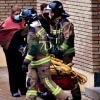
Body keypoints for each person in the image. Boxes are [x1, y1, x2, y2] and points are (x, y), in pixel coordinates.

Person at [21, 8, 69, 100]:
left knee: (47, 83)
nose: (23, 20)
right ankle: (30, 98)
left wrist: (25, 62)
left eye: (24, 18)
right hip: (36, 62)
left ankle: (64, 98)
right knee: (32, 83)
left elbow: (33, 49)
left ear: (28, 18)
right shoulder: (39, 27)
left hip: (41, 63)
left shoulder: (32, 31)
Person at [45, 1, 81, 100]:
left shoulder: (65, 23)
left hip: (66, 53)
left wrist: (60, 50)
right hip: (57, 52)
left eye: (51, 12)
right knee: (54, 73)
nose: (49, 14)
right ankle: (51, 95)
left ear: (56, 12)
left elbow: (68, 39)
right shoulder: (53, 22)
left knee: (68, 73)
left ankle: (77, 96)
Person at [0, 5, 27, 97]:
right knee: (13, 71)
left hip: (21, 50)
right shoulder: (7, 23)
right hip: (11, 51)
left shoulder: (23, 21)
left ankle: (23, 89)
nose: (19, 15)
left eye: (20, 13)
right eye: (16, 14)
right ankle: (14, 90)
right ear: (12, 14)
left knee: (22, 70)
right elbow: (2, 35)